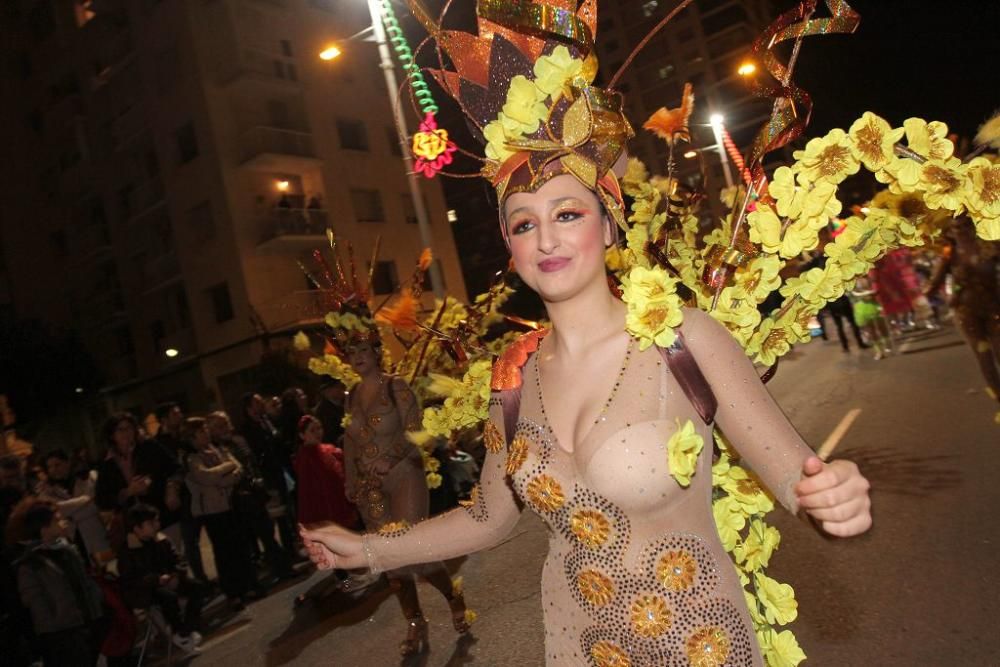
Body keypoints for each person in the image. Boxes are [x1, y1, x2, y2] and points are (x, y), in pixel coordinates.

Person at [300, 10, 872, 665]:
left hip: (702, 646)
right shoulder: (511, 378)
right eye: (522, 223)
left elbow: (796, 476)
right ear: (509, 246)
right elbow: (489, 517)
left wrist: (833, 498)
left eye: (568, 213)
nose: (545, 237)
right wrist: (370, 548)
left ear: (607, 225)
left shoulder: (682, 340)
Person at [315, 325, 470, 655]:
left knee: (413, 550)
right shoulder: (351, 397)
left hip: (403, 475)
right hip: (369, 486)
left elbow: (416, 431)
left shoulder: (395, 386)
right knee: (389, 560)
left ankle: (454, 598)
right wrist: (350, 480)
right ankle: (415, 621)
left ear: (376, 354)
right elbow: (349, 441)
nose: (357, 358)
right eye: (351, 354)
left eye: (363, 352)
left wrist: (391, 458)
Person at [14, 499, 104, 666]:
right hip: (62, 635)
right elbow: (37, 605)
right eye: (56, 520)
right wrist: (55, 631)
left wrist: (96, 611)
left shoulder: (68, 552)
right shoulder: (31, 565)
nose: (63, 522)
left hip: (86, 625)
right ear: (44, 529)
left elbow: (84, 583)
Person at [206, 410, 294, 582]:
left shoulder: (238, 440)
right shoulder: (214, 449)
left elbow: (251, 462)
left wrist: (258, 480)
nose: (224, 428)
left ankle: (282, 569)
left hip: (254, 494)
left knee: (267, 533)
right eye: (219, 426)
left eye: (225, 424)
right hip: (235, 498)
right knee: (245, 541)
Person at [925, 215, 1000, 415]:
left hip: (995, 310)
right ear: (949, 232)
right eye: (957, 228)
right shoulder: (949, 255)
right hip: (967, 315)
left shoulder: (990, 247)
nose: (962, 231)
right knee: (984, 359)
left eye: (966, 225)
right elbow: (932, 286)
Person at [183, 417, 258, 609]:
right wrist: (226, 471)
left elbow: (237, 466)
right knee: (224, 551)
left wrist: (225, 475)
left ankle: (249, 584)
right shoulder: (192, 458)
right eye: (201, 431)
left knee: (240, 546)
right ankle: (233, 592)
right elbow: (206, 477)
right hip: (213, 510)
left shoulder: (218, 449)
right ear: (193, 437)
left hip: (231, 503)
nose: (206, 433)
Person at [116, 503, 204, 654]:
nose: (157, 525)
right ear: (137, 528)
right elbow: (131, 580)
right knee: (168, 597)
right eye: (151, 523)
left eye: (156, 521)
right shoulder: (127, 551)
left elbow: (179, 560)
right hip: (144, 591)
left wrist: (176, 574)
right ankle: (181, 632)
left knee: (198, 587)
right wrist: (157, 580)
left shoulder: (161, 539)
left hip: (167, 581)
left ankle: (184, 632)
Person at [292, 415, 359, 607]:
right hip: (323, 508)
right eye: (312, 430)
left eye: (319, 427)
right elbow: (310, 491)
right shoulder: (305, 458)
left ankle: (351, 574)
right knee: (332, 544)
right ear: (302, 435)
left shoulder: (327, 450)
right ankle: (343, 578)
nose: (318, 432)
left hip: (336, 503)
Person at [153, 402, 208, 583]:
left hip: (197, 491)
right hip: (180, 498)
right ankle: (198, 580)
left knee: (195, 539)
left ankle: (200, 578)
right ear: (164, 419)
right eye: (175, 414)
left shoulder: (183, 437)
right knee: (187, 542)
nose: (180, 416)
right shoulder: (159, 444)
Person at [35, 449, 110, 562]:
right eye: (49, 467)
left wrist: (69, 515)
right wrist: (85, 500)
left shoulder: (89, 477)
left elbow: (96, 505)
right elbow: (55, 509)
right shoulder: (46, 489)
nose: (54, 470)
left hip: (95, 534)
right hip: (71, 537)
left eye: (57, 465)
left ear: (67, 463)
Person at [313, 379, 347, 444]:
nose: (341, 389)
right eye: (337, 386)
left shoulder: (342, 407)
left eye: (341, 386)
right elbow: (329, 436)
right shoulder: (323, 410)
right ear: (327, 391)